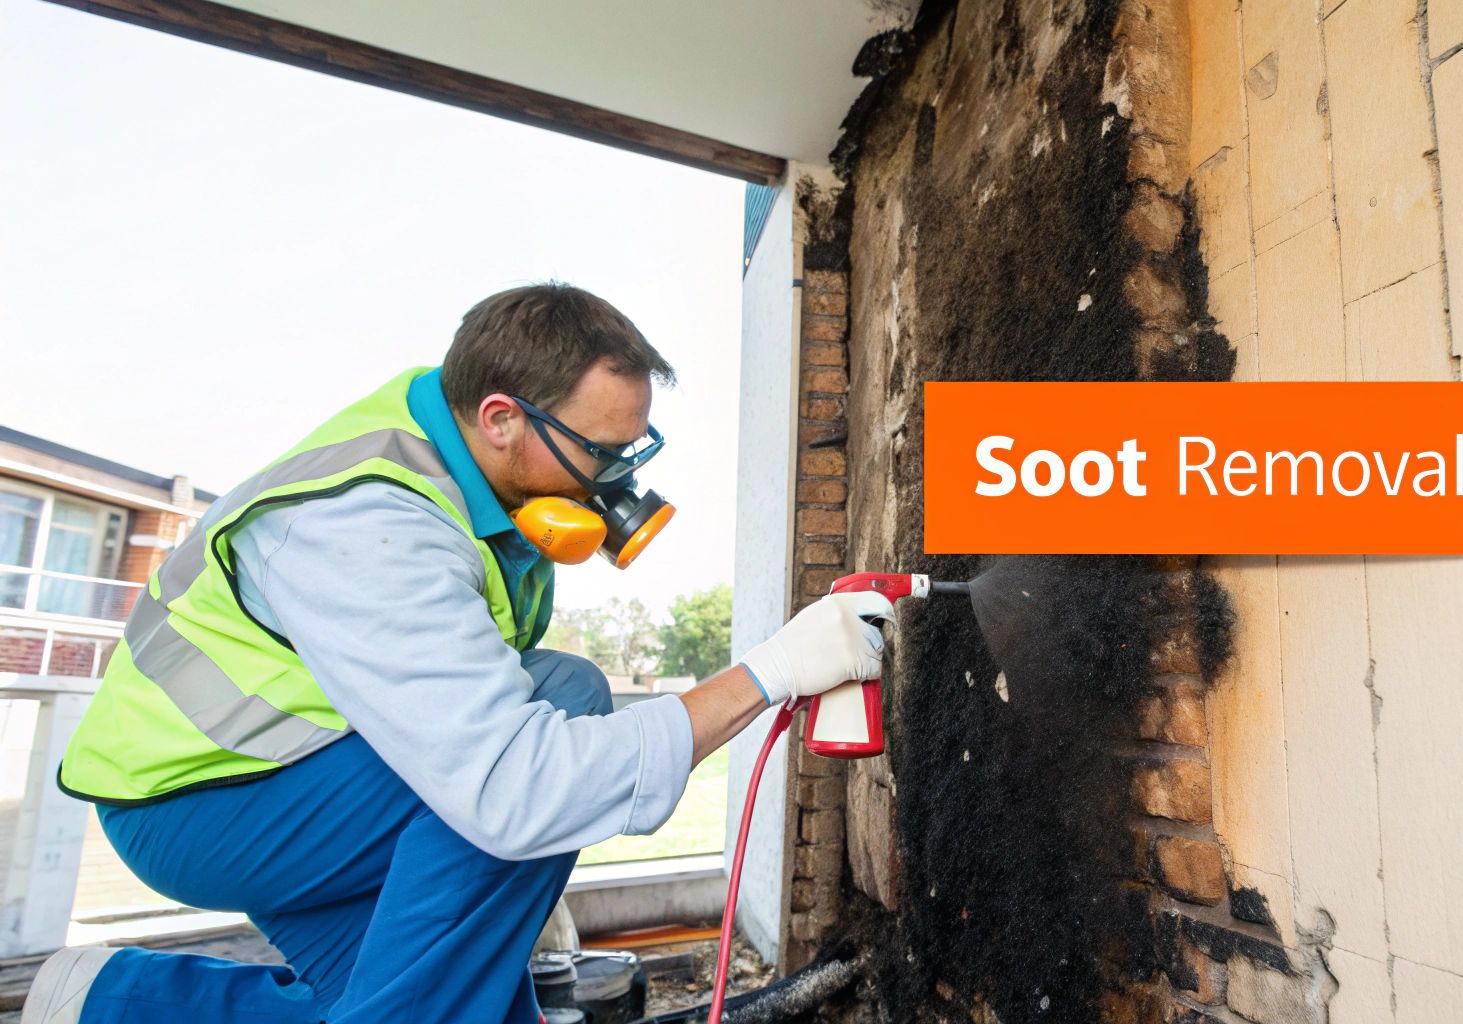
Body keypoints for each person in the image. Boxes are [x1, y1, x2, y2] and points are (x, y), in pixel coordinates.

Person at [23, 283, 891, 1024]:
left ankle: (117, 1002)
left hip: (294, 772)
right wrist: (770, 673)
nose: (615, 483)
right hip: (205, 798)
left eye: (630, 452)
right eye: (601, 454)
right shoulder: (369, 527)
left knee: (422, 1000)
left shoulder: (471, 488)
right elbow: (518, 787)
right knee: (568, 693)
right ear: (501, 418)